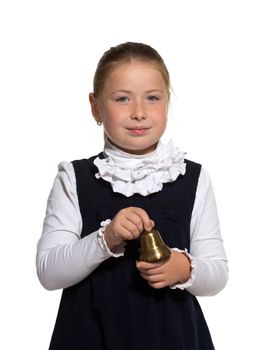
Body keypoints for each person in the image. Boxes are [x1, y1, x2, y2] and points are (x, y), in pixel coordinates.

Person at [36, 42, 228, 350]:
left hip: (173, 337)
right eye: (122, 99)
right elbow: (49, 272)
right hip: (90, 335)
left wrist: (185, 268)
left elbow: (217, 273)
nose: (139, 112)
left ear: (167, 102)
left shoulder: (194, 178)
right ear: (96, 107)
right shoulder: (74, 178)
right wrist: (106, 239)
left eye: (152, 98)